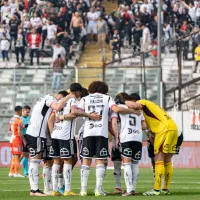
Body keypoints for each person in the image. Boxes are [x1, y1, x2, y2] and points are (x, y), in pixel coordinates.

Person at [78, 81, 140, 196]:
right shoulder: (107, 98)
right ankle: (98, 189)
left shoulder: (85, 99)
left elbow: (76, 112)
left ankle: (83, 190)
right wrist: (133, 111)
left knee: (86, 161)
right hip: (101, 134)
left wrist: (89, 115)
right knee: (100, 161)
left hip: (88, 133)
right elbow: (116, 110)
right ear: (104, 89)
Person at [25, 91, 76, 196]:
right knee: (35, 159)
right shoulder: (49, 99)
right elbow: (57, 106)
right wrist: (68, 97)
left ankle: (47, 188)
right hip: (36, 133)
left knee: (48, 161)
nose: (61, 102)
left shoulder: (44, 100)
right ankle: (34, 190)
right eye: (60, 99)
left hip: (42, 134)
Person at [125, 99, 178, 196]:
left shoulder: (142, 102)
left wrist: (123, 102)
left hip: (164, 130)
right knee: (167, 159)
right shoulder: (152, 110)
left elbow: (138, 106)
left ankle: (156, 190)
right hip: (173, 128)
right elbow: (149, 130)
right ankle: (165, 188)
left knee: (159, 158)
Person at [113, 93, 146, 196]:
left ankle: (129, 189)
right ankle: (133, 188)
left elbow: (116, 110)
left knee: (127, 163)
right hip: (138, 138)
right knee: (135, 164)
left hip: (126, 137)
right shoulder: (140, 112)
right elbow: (144, 126)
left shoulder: (121, 107)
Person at [9, 106, 24, 178]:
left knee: (14, 156)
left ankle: (11, 172)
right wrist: (24, 140)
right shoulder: (19, 120)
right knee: (18, 156)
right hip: (17, 139)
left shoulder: (12, 119)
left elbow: (9, 129)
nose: (22, 112)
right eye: (21, 111)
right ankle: (17, 172)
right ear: (19, 111)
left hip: (12, 138)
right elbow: (19, 132)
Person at [20, 105, 31, 177]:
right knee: (23, 154)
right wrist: (27, 125)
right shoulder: (20, 119)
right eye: (27, 112)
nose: (28, 113)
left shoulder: (29, 118)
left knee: (26, 155)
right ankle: (15, 167)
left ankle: (26, 172)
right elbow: (20, 129)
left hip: (29, 136)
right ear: (23, 111)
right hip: (22, 137)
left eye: (29, 112)